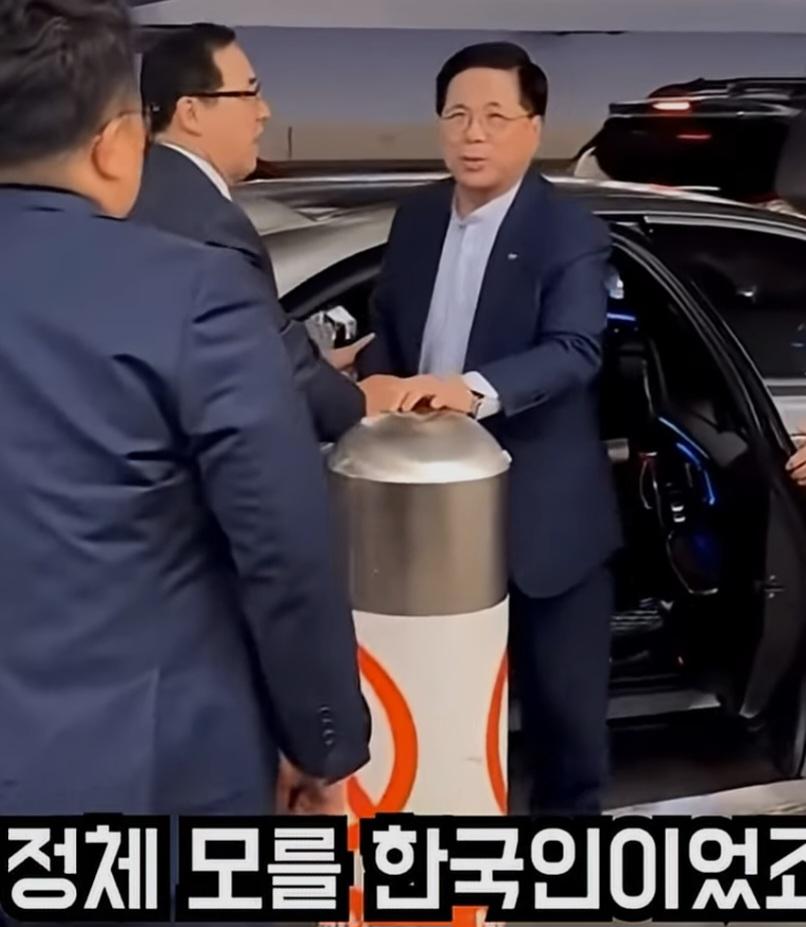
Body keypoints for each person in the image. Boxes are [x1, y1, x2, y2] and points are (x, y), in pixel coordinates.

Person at [0, 0, 369, 817]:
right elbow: (282, 543)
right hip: (156, 768)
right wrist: (321, 743)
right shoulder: (195, 291)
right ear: (115, 143)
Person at [358, 42, 622, 814]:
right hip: (425, 517)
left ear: (533, 127)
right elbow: (388, 331)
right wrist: (369, 376)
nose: (473, 134)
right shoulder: (414, 218)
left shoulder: (567, 230)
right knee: (437, 712)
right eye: (458, 115)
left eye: (496, 117)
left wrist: (468, 392)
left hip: (542, 524)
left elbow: (574, 351)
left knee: (565, 728)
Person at [131, 23, 403, 442]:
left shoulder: (149, 191)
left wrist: (319, 366)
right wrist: (360, 402)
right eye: (249, 93)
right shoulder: (208, 224)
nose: (264, 111)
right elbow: (270, 365)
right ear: (191, 112)